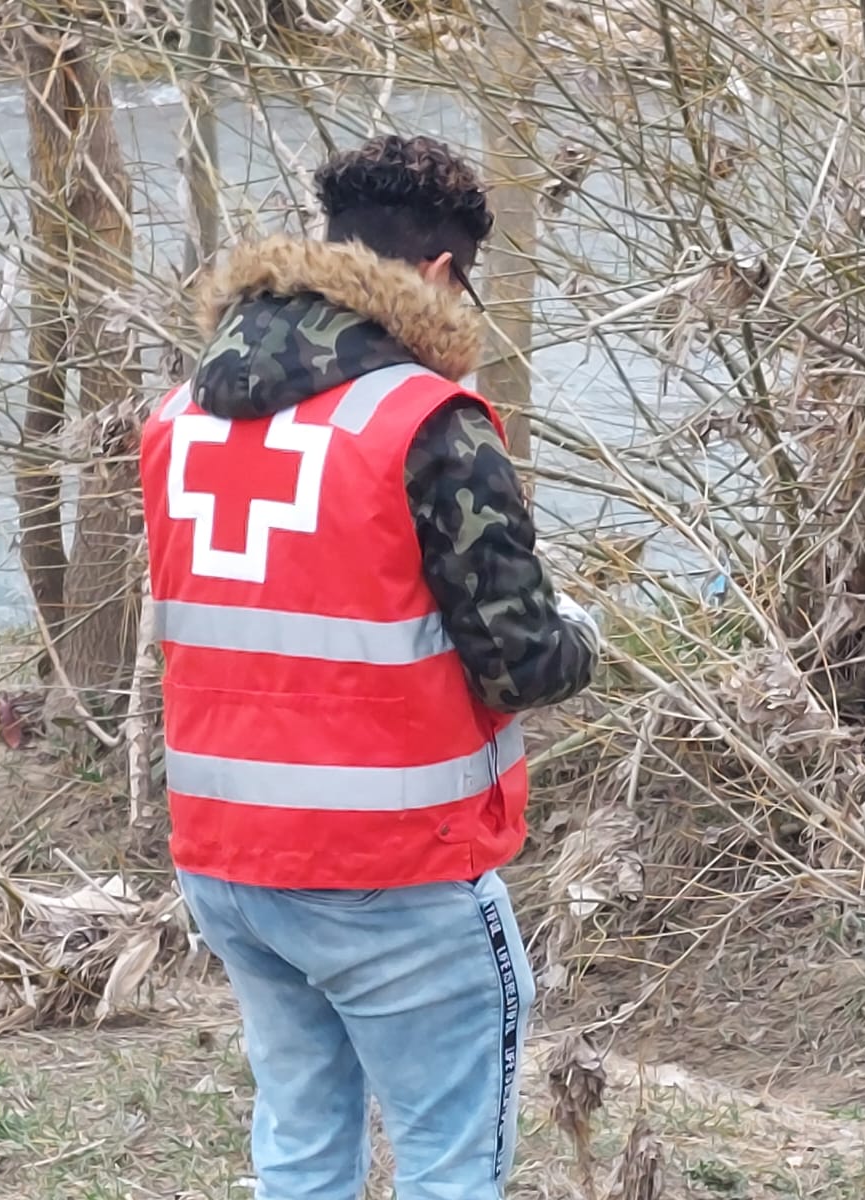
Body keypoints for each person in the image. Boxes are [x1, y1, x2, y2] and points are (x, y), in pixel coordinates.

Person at [138, 134, 600, 1197]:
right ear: (440, 273)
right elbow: (522, 660)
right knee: (450, 1164)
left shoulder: (178, 418)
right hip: (394, 867)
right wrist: (584, 632)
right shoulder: (423, 420)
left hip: (227, 859)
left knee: (300, 1145)